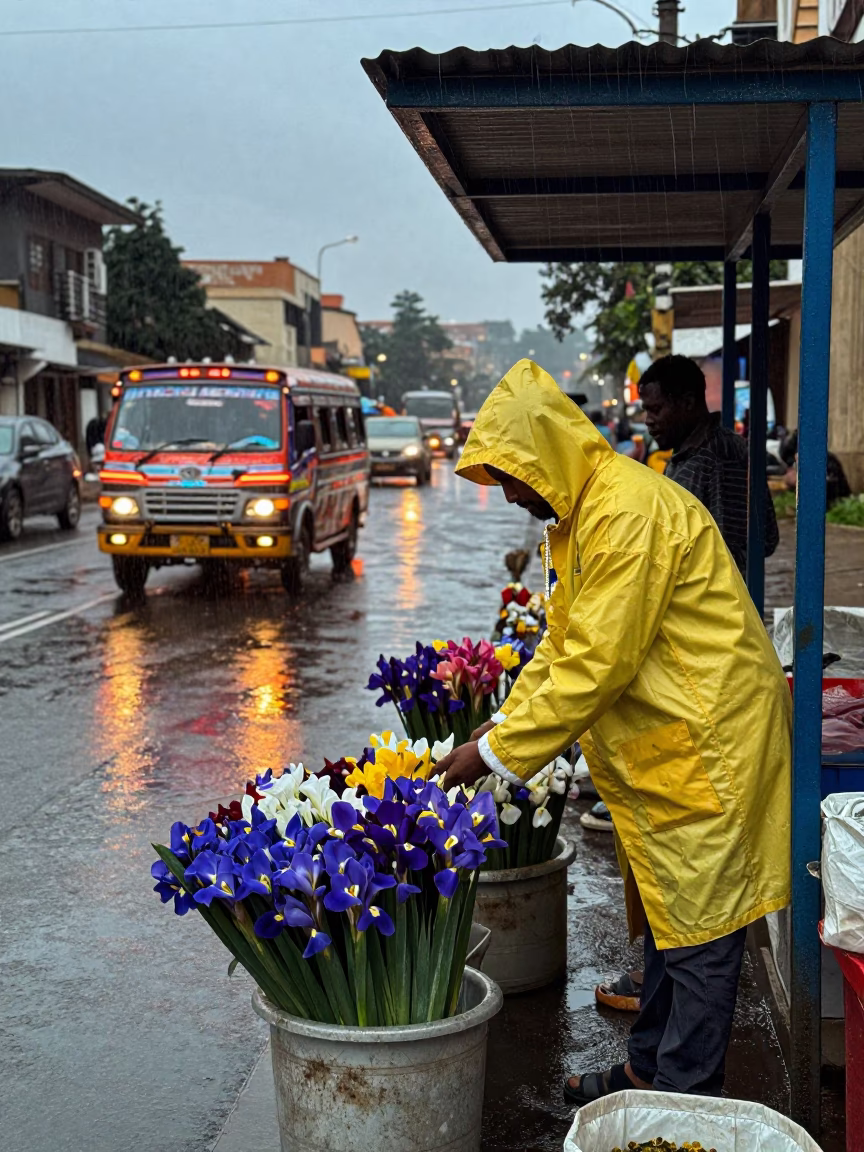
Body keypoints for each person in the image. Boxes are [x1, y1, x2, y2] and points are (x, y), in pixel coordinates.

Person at [437, 359, 791, 1101]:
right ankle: (648, 1067)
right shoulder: (585, 518)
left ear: (543, 458)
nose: (506, 493)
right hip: (675, 734)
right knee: (672, 913)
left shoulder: (624, 515)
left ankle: (683, 1101)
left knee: (700, 925)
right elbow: (559, 648)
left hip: (706, 737)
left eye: (509, 476)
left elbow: (595, 663)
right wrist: (498, 725)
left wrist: (492, 754)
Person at [638, 355, 779, 575]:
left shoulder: (720, 457)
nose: (648, 420)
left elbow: (725, 555)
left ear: (687, 403)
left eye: (656, 409)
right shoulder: (686, 454)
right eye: (646, 410)